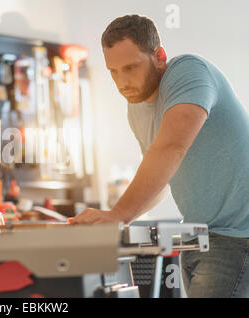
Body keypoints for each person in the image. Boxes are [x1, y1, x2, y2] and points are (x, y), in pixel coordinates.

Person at [69, 14, 249, 298]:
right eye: (113, 71)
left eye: (131, 67)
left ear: (159, 56)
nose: (122, 82)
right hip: (200, 237)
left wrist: (118, 214)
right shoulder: (137, 106)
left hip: (237, 237)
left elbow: (171, 148)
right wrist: (120, 219)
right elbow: (163, 179)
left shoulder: (190, 72)